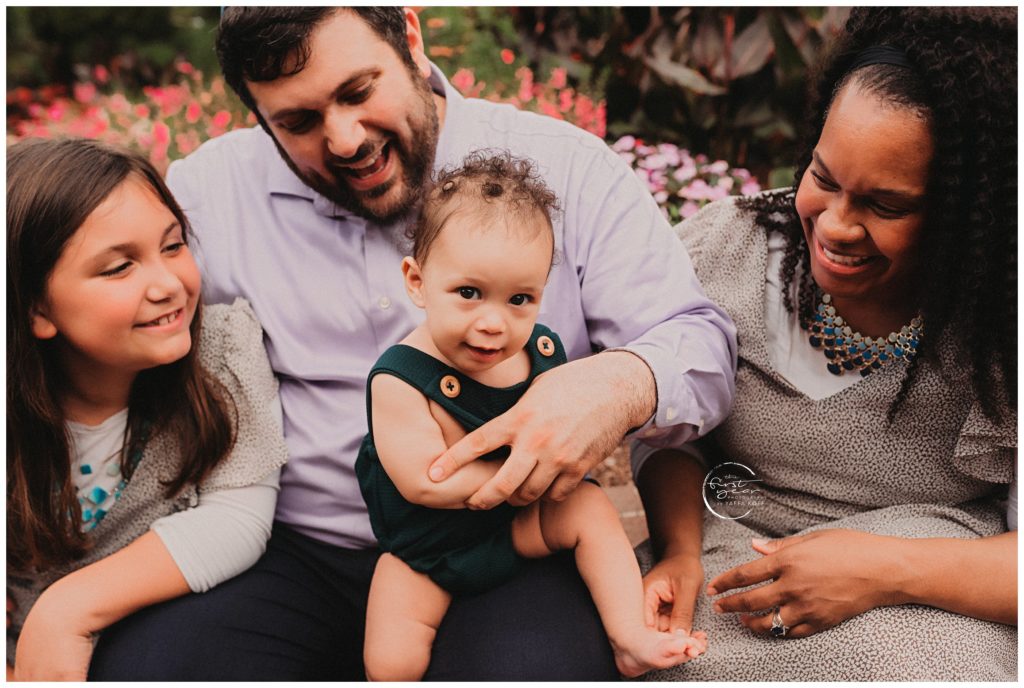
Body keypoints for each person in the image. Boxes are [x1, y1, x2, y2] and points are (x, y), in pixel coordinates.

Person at [86, 7, 737, 681]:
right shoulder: (207, 195)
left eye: (357, 91)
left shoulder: (568, 170)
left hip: (510, 545)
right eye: (298, 122)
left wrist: (620, 383)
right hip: (289, 549)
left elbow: (700, 345)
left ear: (411, 38)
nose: (343, 139)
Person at [633, 7, 1017, 681]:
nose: (836, 225)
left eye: (885, 205)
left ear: (966, 213)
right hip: (726, 562)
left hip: (939, 586)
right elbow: (676, 437)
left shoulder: (998, 321)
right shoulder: (728, 253)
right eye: (824, 178)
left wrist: (879, 568)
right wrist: (678, 552)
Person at [357, 151, 707, 680]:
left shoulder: (540, 353)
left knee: (590, 508)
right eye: (469, 294)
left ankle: (628, 635)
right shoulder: (399, 378)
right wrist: (528, 474)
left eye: (520, 299)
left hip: (518, 525)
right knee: (389, 660)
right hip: (427, 550)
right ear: (417, 280)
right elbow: (422, 483)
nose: (494, 322)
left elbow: (562, 429)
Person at [5, 138, 289, 681]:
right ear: (36, 307)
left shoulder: (222, 351)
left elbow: (238, 518)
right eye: (118, 268)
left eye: (174, 246)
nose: (167, 285)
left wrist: (67, 610)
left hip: (153, 644)